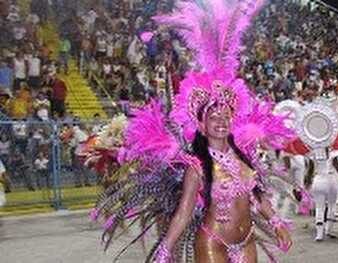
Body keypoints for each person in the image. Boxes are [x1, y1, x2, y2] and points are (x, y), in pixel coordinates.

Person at [91, 2, 293, 262]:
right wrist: (165, 249)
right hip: (213, 242)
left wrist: (276, 222)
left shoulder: (242, 157)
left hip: (246, 240)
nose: (221, 121)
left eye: (226, 116)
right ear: (200, 124)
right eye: (213, 117)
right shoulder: (196, 166)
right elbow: (185, 213)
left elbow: (256, 195)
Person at [310, 148, 338, 241]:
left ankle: (319, 234)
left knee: (319, 207)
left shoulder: (314, 152)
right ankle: (328, 230)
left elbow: (310, 169)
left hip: (318, 179)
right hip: (331, 179)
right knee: (332, 205)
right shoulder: (334, 152)